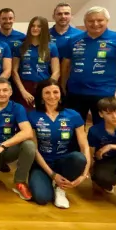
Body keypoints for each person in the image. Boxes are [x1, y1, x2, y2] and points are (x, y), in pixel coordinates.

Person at [61, 7, 116, 126]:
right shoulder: (74, 40)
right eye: (91, 21)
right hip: (75, 93)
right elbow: (66, 66)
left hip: (104, 93)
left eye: (100, 20)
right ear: (85, 22)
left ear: (107, 21)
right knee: (73, 129)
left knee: (103, 130)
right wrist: (63, 86)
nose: (95, 24)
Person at [27, 79, 90, 209]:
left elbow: (84, 146)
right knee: (42, 198)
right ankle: (51, 181)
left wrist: (84, 174)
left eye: (55, 92)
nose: (52, 96)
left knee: (79, 158)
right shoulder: (32, 116)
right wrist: (52, 174)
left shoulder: (73, 115)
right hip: (42, 163)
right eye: (47, 93)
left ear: (61, 94)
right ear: (41, 96)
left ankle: (61, 189)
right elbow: (34, 149)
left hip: (64, 161)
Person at [12, 16, 60, 111]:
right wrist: (23, 91)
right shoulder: (21, 47)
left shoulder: (51, 47)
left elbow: (57, 71)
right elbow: (14, 71)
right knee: (24, 116)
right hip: (25, 86)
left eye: (39, 26)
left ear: (44, 29)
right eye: (33, 26)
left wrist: (48, 88)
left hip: (44, 85)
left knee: (43, 117)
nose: (35, 28)